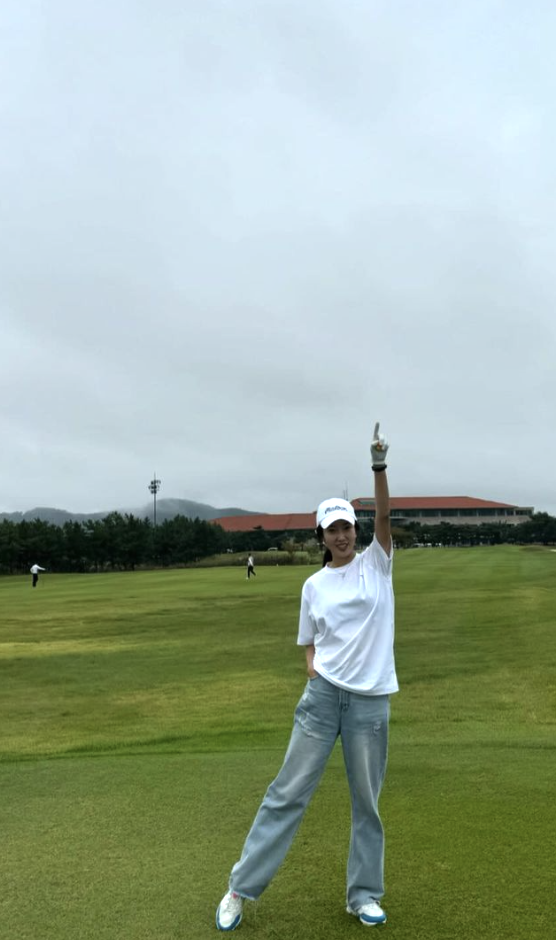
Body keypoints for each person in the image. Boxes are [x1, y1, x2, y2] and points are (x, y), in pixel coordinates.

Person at [216, 422, 398, 931]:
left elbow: (385, 513)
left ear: (356, 530)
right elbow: (310, 645)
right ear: (320, 536)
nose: (342, 536)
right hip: (322, 700)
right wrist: (316, 677)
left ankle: (363, 895)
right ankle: (239, 889)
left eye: (347, 527)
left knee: (367, 803)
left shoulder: (377, 565)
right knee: (286, 793)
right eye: (332, 529)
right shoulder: (313, 586)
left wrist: (378, 465)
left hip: (370, 704)